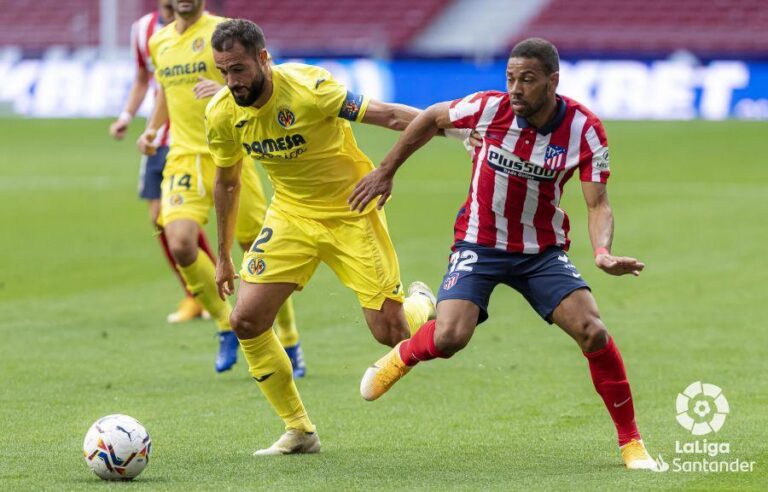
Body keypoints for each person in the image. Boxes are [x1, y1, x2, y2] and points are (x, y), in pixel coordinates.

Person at [351, 38, 658, 470]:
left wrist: (603, 251)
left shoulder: (584, 129)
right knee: (450, 337)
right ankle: (402, 355)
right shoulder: (488, 109)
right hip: (480, 242)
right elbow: (432, 116)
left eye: (527, 80)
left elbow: (597, 203)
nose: (515, 89)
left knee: (593, 330)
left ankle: (631, 443)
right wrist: (386, 171)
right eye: (511, 78)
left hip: (541, 251)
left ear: (553, 81)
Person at [205, 19, 475, 455]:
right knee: (246, 320)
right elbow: (227, 182)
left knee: (391, 333)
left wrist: (458, 131)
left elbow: (387, 115)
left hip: (352, 211)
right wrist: (222, 256)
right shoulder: (222, 112)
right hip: (291, 215)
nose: (231, 82)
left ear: (263, 58)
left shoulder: (311, 89)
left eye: (238, 69)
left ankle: (422, 303)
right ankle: (299, 431)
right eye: (223, 71)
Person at [136, 0, 304, 375]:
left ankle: (290, 341)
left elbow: (266, 73)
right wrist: (152, 128)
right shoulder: (158, 42)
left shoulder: (224, 32)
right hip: (183, 156)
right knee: (179, 242)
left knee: (258, 250)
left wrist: (222, 87)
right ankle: (225, 323)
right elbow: (164, 91)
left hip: (232, 153)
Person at [109, 0, 211, 324]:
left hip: (199, 138)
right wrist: (127, 116)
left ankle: (217, 294)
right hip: (161, 139)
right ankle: (195, 294)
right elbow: (144, 78)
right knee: (160, 220)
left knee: (183, 222)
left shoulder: (210, 29)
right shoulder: (144, 31)